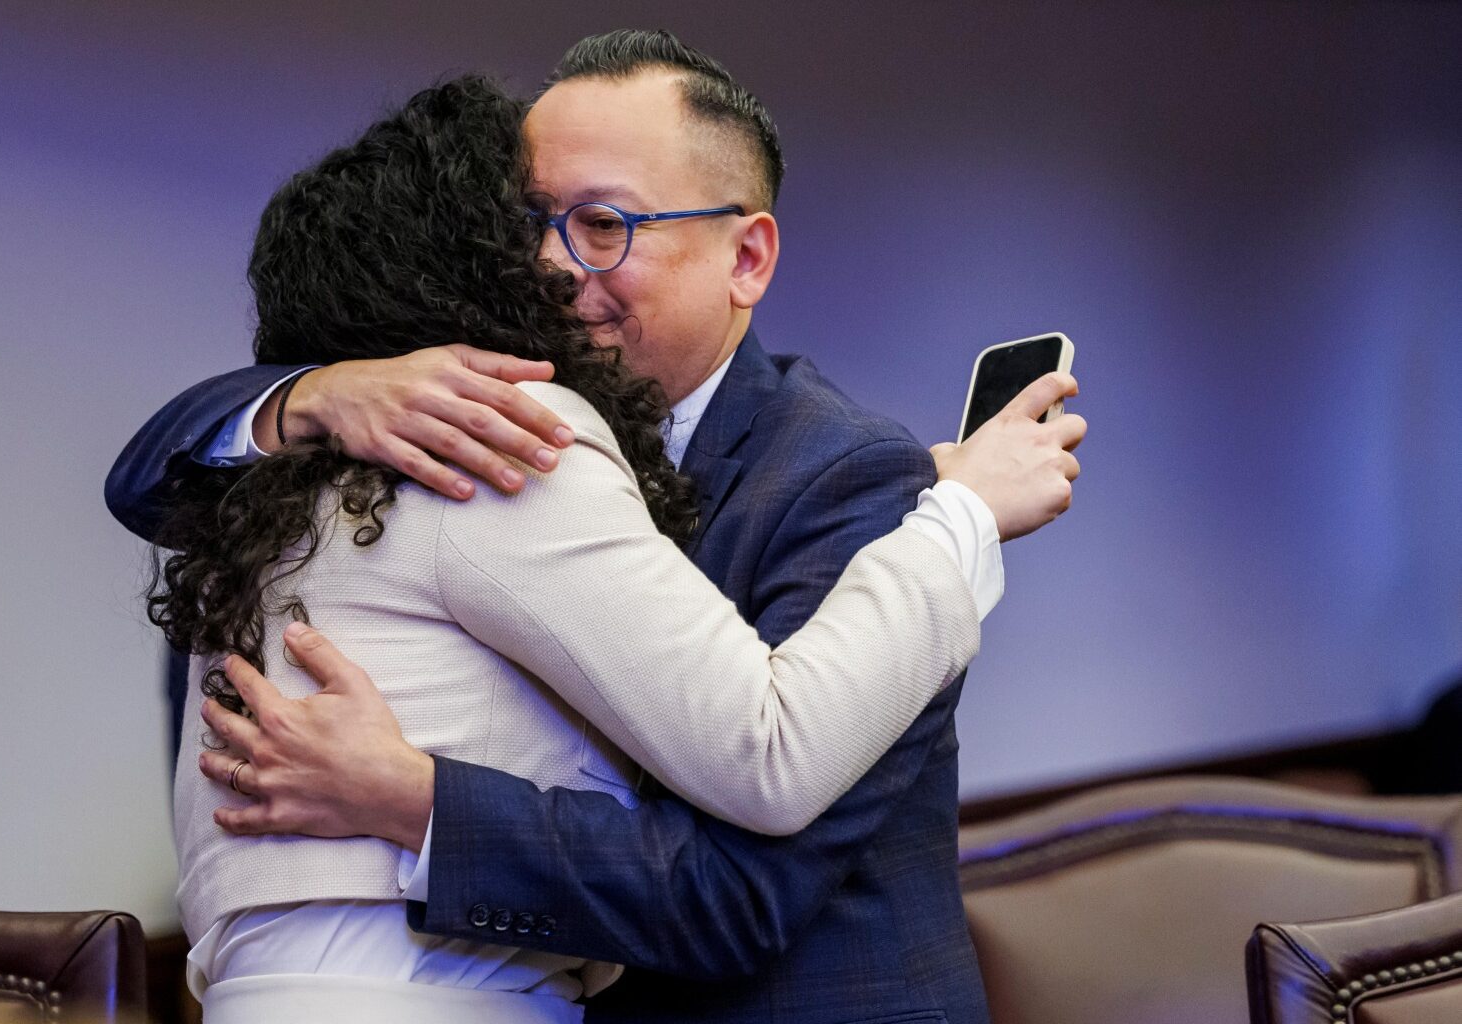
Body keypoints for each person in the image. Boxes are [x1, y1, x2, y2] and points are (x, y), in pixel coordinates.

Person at [109, 31, 1085, 1024]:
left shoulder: (843, 478)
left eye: (604, 223)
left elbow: (739, 892)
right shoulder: (432, 430)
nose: (552, 264)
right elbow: (144, 476)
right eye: (529, 221)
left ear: (745, 257)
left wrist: (413, 796)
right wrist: (312, 394)